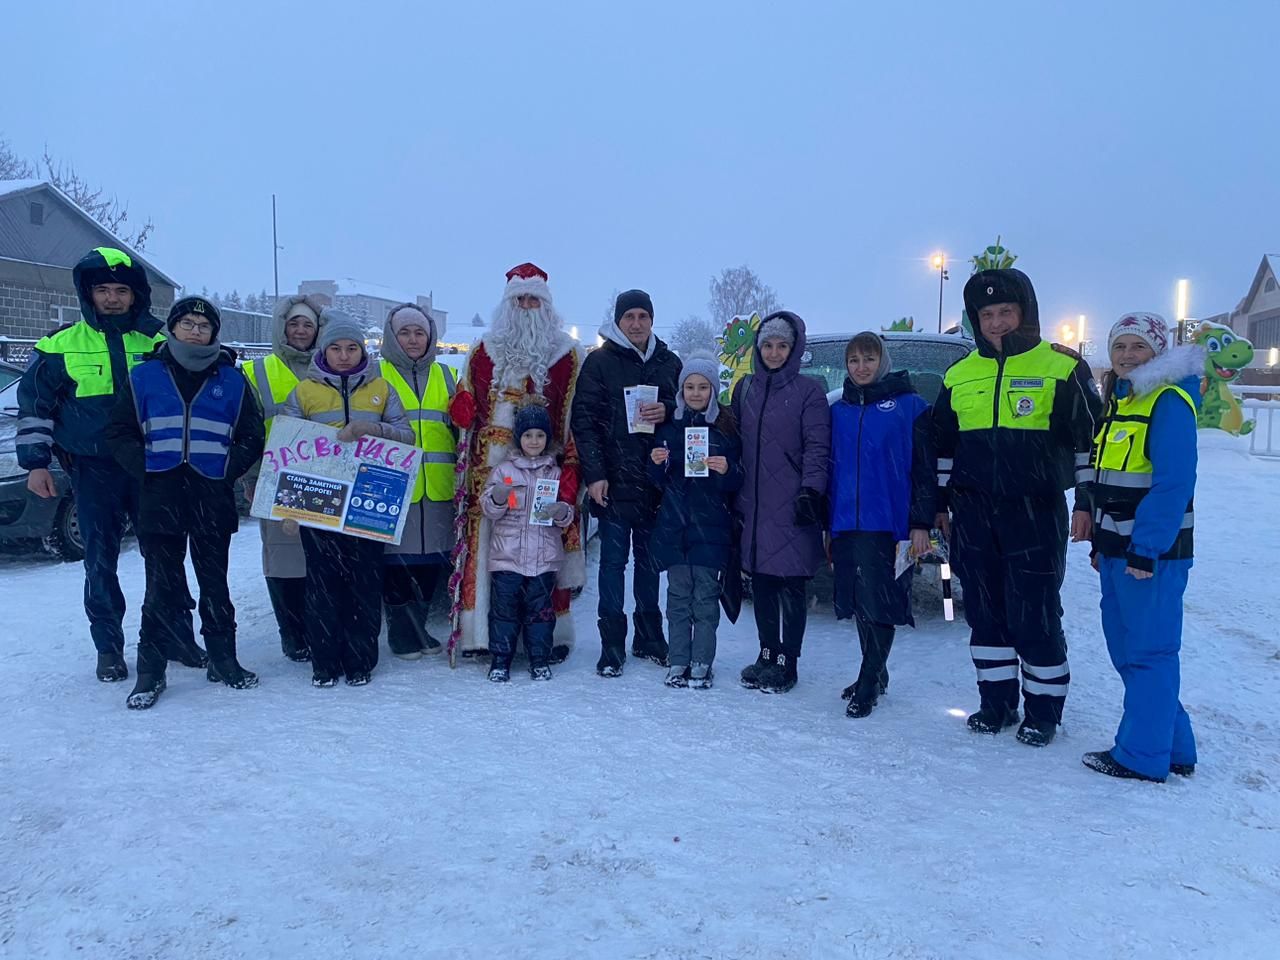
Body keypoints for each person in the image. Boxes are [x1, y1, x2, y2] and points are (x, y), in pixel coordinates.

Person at [932, 268, 1101, 746]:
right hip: (972, 514)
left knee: (1036, 612)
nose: (998, 322)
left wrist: (1086, 503)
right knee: (984, 612)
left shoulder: (1063, 367)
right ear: (975, 319)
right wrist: (940, 505)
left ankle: (1044, 712)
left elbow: (1090, 447)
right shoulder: (959, 373)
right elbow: (941, 447)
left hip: (1035, 511)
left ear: (1025, 312)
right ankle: (997, 703)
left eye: (1006, 311)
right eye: (987, 314)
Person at [16, 246, 200, 682]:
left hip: (154, 467)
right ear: (88, 293)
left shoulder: (160, 341)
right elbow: (35, 409)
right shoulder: (58, 346)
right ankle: (109, 648)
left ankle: (176, 635)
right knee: (101, 560)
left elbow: (202, 378)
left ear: (136, 295)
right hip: (94, 469)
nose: (113, 299)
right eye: (103, 290)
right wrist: (36, 464)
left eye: (121, 290)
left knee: (165, 554)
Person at [105, 297, 265, 708]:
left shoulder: (231, 379)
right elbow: (119, 432)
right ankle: (151, 671)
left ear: (214, 333)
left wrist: (228, 470)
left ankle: (224, 660)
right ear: (173, 328)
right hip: (160, 495)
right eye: (188, 323)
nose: (196, 330)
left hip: (211, 494)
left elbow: (252, 434)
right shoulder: (145, 376)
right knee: (161, 587)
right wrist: (145, 468)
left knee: (215, 584)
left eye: (204, 325)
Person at [1081, 313, 1201, 782]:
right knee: (1129, 649)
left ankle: (1141, 755)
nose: (1128, 355)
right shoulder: (1124, 401)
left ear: (1158, 351)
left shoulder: (1167, 402)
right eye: (1120, 347)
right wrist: (1102, 545)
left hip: (1150, 556)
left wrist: (1144, 550)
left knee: (1148, 653)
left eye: (1138, 347)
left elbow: (1172, 485)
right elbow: (1111, 481)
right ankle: (1173, 744)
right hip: (1119, 550)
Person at [449, 264, 585, 662]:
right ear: (507, 305)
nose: (526, 307)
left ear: (546, 305)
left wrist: (570, 476)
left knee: (543, 555)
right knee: (494, 556)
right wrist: (460, 408)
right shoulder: (482, 350)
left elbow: (574, 417)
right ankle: (484, 635)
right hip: (491, 474)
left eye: (534, 299)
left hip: (545, 472)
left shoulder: (567, 355)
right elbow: (464, 407)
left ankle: (549, 638)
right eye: (520, 299)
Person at [281, 310, 415, 687]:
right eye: (336, 347)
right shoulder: (304, 392)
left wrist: (370, 429)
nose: (344, 355)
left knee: (365, 584)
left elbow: (407, 437)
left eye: (352, 348)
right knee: (322, 586)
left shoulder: (382, 389)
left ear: (362, 351)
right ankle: (324, 662)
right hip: (318, 505)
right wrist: (289, 510)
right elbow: (288, 449)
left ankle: (360, 661)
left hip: (366, 504)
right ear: (324, 349)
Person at [571, 289, 682, 677]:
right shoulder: (599, 363)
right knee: (613, 565)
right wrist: (595, 474)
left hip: (655, 482)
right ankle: (611, 645)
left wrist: (667, 408)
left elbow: (688, 410)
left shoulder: (669, 362)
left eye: (642, 316)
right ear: (618, 321)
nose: (636, 323)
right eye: (629, 317)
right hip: (614, 482)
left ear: (652, 320)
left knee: (651, 564)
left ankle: (650, 638)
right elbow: (584, 422)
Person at [828, 333, 936, 717]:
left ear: (882, 360)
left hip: (891, 524)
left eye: (868, 358)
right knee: (859, 601)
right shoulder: (839, 410)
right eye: (854, 360)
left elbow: (925, 471)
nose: (861, 367)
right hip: (846, 521)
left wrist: (921, 523)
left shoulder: (911, 407)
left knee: (883, 602)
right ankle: (875, 671)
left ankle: (869, 681)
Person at [733, 311, 831, 694]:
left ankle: (788, 661)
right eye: (768, 345)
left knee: (790, 585)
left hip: (792, 502)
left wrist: (811, 491)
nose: (774, 352)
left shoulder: (809, 392)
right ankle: (766, 653)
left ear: (794, 349)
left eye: (782, 345)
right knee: (762, 583)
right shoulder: (746, 388)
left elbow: (818, 447)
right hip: (754, 505)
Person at [647, 351, 743, 689]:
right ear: (681, 390)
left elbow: (737, 481)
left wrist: (727, 470)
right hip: (675, 528)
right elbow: (657, 482)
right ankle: (678, 661)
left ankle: (702, 661)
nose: (696, 393)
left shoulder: (726, 428)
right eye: (690, 386)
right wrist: (657, 462)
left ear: (714, 390)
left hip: (711, 530)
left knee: (705, 600)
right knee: (677, 600)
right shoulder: (670, 427)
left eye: (703, 386)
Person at [242, 295, 325, 663]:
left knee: (322, 557)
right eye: (294, 324)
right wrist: (249, 475)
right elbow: (244, 429)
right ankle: (292, 633)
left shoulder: (332, 367)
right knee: (283, 558)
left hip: (325, 479)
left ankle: (318, 624)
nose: (301, 331)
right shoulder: (257, 371)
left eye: (308, 325)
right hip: (276, 477)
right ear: (282, 328)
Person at [379, 303, 457, 659]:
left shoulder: (445, 376)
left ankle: (419, 627)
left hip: (439, 486)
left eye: (419, 332)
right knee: (396, 563)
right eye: (404, 333)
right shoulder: (375, 374)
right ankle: (400, 633)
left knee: (430, 562)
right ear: (392, 337)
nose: (412, 339)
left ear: (430, 337)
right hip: (394, 485)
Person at [479, 400, 576, 682]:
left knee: (541, 614)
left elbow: (566, 515)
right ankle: (500, 660)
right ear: (518, 438)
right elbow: (490, 510)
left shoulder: (555, 473)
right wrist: (498, 495)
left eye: (540, 435)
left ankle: (539, 659)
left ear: (547, 439)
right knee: (504, 613)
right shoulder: (504, 471)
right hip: (507, 556)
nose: (534, 441)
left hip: (544, 558)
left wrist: (562, 512)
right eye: (528, 435)